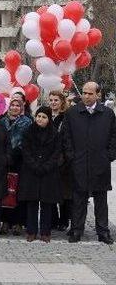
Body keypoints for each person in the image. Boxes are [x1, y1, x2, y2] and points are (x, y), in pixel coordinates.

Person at [62, 82, 116, 244]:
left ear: (98, 95)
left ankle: (103, 231)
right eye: (84, 93)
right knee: (78, 198)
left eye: (90, 94)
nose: (86, 96)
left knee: (100, 199)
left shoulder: (107, 114)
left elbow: (114, 137)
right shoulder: (72, 113)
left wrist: (109, 156)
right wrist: (71, 156)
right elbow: (66, 137)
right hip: (78, 162)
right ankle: (77, 230)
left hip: (100, 162)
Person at [18, 106, 61, 243]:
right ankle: (31, 231)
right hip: (31, 172)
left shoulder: (55, 133)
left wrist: (46, 166)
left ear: (48, 119)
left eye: (44, 117)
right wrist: (35, 165)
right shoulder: (28, 132)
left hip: (48, 173)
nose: (40, 119)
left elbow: (56, 153)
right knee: (32, 203)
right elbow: (25, 151)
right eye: (38, 116)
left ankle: (45, 232)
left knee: (46, 204)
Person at [0, 98, 32, 235]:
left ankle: (18, 222)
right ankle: (5, 222)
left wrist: (16, 153)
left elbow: (28, 141)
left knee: (18, 191)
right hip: (4, 160)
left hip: (20, 160)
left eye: (17, 105)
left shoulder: (27, 122)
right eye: (12, 105)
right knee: (5, 191)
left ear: (22, 107)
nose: (14, 107)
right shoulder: (2, 121)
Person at [48, 91, 71, 232]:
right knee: (49, 192)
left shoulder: (66, 118)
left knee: (64, 194)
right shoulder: (47, 116)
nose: (53, 102)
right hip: (48, 159)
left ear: (62, 101)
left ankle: (64, 220)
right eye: (51, 100)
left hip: (63, 160)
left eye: (56, 100)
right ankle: (53, 220)